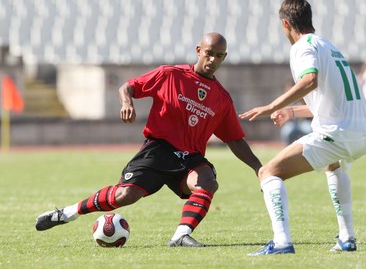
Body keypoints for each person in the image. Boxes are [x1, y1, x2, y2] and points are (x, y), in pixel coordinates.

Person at [35, 32, 262, 247]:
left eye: (219, 55)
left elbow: (235, 139)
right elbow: (129, 87)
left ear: (225, 57)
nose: (213, 59)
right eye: (209, 53)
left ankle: (181, 235)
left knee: (207, 182)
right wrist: (126, 102)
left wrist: (259, 168)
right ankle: (66, 213)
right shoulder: (170, 74)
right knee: (126, 195)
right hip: (158, 150)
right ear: (198, 50)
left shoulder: (221, 98)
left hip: (189, 158)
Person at [239, 0, 366, 255]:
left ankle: (281, 242)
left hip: (338, 133)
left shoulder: (302, 47)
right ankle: (347, 238)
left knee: (268, 172)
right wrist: (291, 111)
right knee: (332, 165)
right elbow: (331, 100)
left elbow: (309, 80)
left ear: (286, 23)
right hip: (363, 133)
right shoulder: (330, 46)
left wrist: (270, 106)